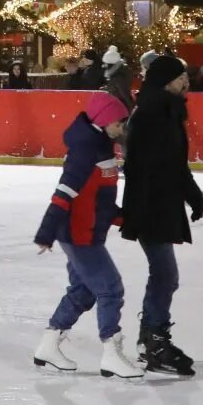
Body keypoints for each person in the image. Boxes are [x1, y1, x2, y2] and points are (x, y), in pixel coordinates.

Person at [32, 86, 139, 379]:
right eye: (119, 122)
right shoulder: (84, 151)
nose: (121, 127)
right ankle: (111, 354)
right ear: (103, 120)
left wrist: (124, 219)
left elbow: (100, 200)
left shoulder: (102, 146)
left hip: (89, 231)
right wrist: (46, 232)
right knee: (110, 289)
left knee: (83, 291)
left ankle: (49, 345)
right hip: (80, 235)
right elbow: (63, 193)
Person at [117, 54, 203, 376]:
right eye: (182, 77)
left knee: (165, 275)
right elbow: (139, 167)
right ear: (168, 80)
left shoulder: (167, 111)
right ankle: (153, 341)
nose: (187, 82)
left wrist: (192, 196)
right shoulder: (151, 114)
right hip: (150, 207)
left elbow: (176, 163)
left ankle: (152, 338)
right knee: (165, 274)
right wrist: (142, 210)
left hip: (161, 204)